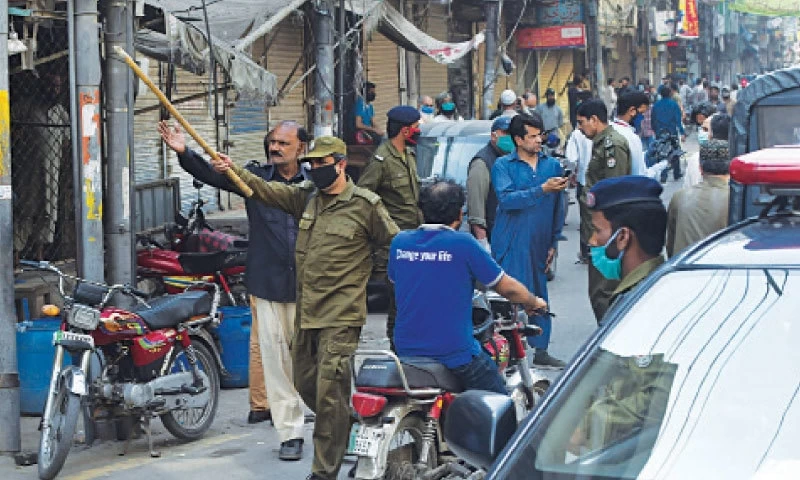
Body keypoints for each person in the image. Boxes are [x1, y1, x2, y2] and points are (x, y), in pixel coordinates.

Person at [212, 137, 399, 480]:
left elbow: (394, 245)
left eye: (321, 163)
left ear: (341, 164)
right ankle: (346, 426)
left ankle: (324, 470)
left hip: (342, 315)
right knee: (305, 382)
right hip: (308, 311)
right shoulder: (307, 198)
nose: (314, 169)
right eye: (310, 164)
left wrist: (373, 278)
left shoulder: (366, 205)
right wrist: (232, 170)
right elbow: (263, 190)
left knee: (329, 390)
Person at [158, 120, 311, 460]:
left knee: (312, 360)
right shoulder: (252, 178)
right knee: (274, 359)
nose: (275, 148)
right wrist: (185, 152)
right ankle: (290, 432)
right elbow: (216, 176)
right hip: (268, 283)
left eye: (284, 143)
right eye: (272, 142)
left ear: (301, 148)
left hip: (310, 285)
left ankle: (330, 421)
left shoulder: (315, 184)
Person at [390, 179, 548, 393]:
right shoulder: (463, 244)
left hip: (405, 351)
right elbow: (507, 288)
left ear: (421, 211)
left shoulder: (400, 242)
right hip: (454, 353)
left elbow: (400, 281)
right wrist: (532, 301)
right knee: (499, 402)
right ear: (460, 214)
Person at [491, 113, 568, 367]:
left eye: (540, 135)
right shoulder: (503, 166)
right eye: (533, 136)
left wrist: (553, 242)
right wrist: (541, 189)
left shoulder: (551, 165)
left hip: (540, 240)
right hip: (512, 240)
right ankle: (509, 352)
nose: (539, 141)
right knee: (512, 296)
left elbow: (559, 206)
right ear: (518, 139)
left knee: (539, 292)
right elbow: (507, 200)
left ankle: (541, 349)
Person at [358, 106, 424, 351]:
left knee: (412, 300)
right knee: (399, 301)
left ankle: (408, 346)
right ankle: (398, 349)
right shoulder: (381, 159)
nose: (419, 131)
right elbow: (364, 197)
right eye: (417, 127)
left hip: (414, 239)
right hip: (392, 245)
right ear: (406, 130)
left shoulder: (409, 155)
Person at [575, 99, 632, 322]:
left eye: (582, 123)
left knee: (603, 292)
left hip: (606, 232)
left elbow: (614, 193)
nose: (580, 128)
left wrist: (603, 234)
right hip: (597, 229)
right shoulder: (600, 144)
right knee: (598, 290)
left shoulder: (612, 146)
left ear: (594, 120)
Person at [586, 175, 667, 310]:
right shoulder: (660, 283)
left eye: (598, 231)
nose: (592, 241)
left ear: (623, 237)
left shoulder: (637, 303)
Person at [667, 139, 730, 257]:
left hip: (683, 271)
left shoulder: (680, 197)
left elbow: (670, 244)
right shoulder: (735, 200)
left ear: (700, 168)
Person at [467, 115, 514, 250]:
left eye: (512, 133)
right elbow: (476, 210)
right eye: (505, 133)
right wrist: (483, 243)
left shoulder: (510, 158)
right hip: (492, 238)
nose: (509, 137)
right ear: (494, 136)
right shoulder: (482, 163)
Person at [612, 92, 667, 179]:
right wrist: (662, 165)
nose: (642, 118)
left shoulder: (610, 129)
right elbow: (640, 176)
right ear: (632, 111)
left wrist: (645, 155)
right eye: (641, 113)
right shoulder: (631, 138)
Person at [565, 128, 593, 262]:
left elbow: (571, 158)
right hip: (600, 181)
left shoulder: (577, 134)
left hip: (584, 181)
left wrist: (571, 174)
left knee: (586, 218)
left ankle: (586, 252)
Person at [651, 85, 686, 182]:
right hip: (672, 132)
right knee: (675, 152)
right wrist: (682, 132)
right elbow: (678, 120)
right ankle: (676, 173)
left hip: (660, 132)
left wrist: (655, 130)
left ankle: (663, 174)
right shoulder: (674, 104)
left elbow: (653, 120)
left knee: (661, 153)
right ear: (670, 93)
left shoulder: (656, 105)